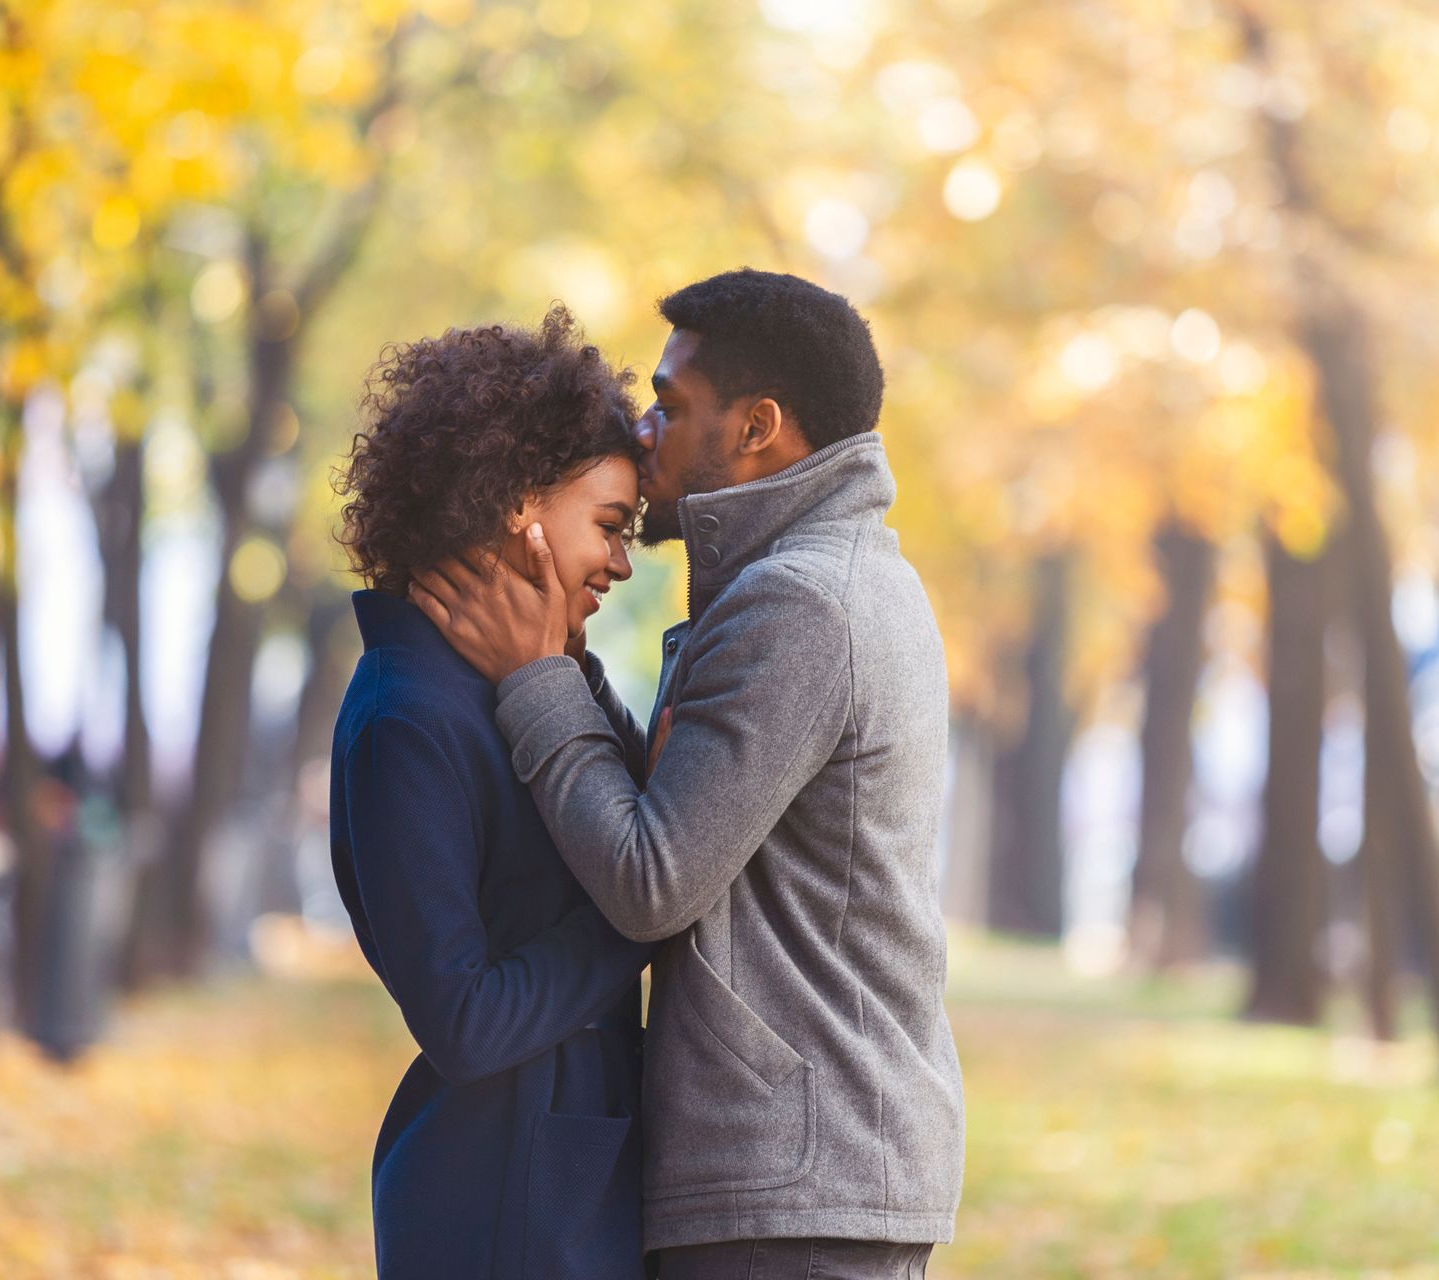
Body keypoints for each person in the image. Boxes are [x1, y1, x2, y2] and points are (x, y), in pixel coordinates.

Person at [412, 268, 966, 1280]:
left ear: (757, 426)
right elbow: (687, 812)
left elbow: (653, 877)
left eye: (671, 406)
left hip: (793, 1183)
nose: (644, 433)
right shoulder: (825, 579)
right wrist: (561, 662)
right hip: (808, 1170)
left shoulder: (801, 606)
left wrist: (537, 678)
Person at [329, 306, 658, 1279]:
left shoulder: (505, 685)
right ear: (522, 503)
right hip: (503, 1205)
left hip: (556, 1182)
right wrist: (640, 911)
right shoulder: (409, 717)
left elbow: (653, 808)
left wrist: (567, 669)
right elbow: (465, 1020)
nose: (624, 560)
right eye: (609, 523)